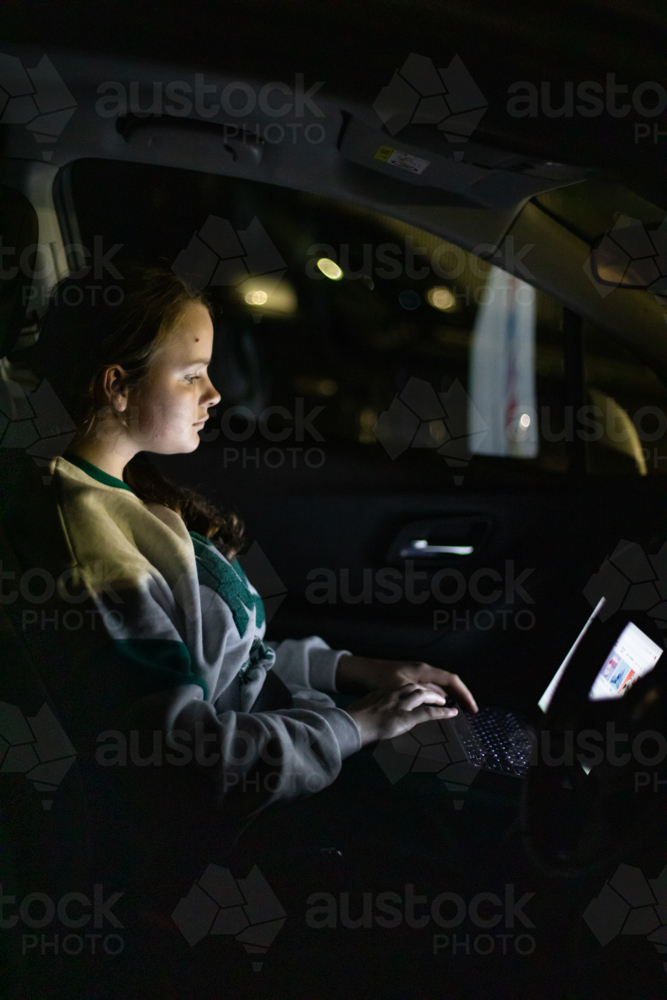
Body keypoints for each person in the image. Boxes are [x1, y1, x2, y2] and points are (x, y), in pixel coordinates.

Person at [1, 265, 478, 878]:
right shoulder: (93, 545)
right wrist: (358, 724)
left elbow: (230, 660)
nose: (215, 394)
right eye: (192, 376)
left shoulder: (126, 495)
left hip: (299, 739)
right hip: (260, 821)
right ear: (117, 386)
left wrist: (359, 670)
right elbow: (186, 764)